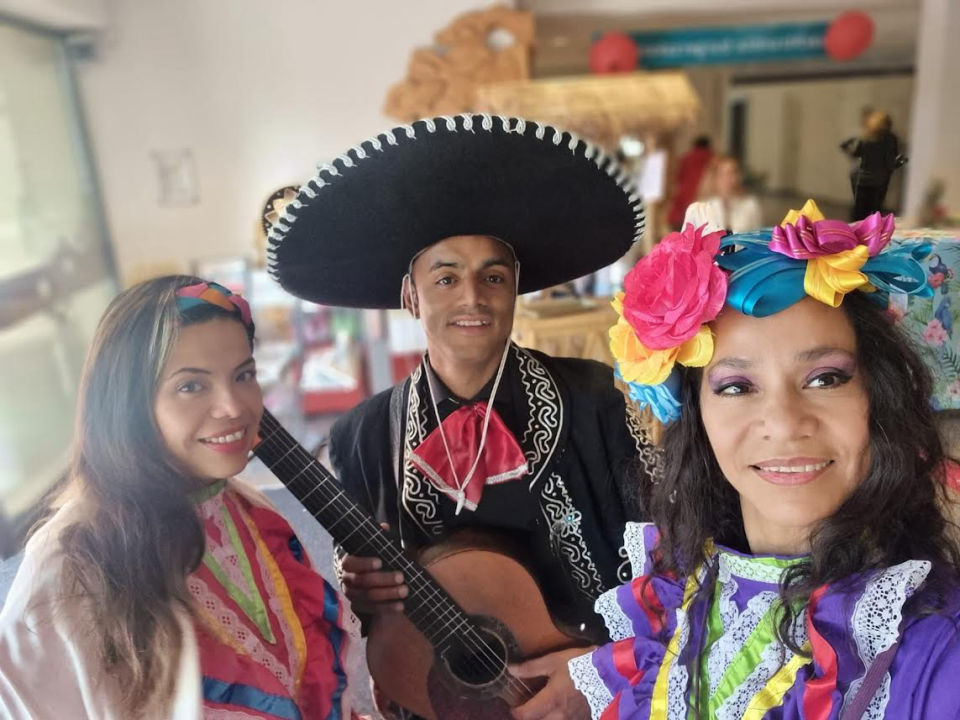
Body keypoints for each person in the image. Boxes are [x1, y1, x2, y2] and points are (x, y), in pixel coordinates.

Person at [265, 113, 663, 719]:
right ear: (411, 296)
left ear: (513, 291)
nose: (473, 297)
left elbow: (672, 551)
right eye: (446, 277)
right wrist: (365, 589)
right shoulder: (363, 435)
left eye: (493, 277)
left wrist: (606, 666)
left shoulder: (595, 398)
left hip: (595, 686)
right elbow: (379, 603)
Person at [568, 200, 960, 718]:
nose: (784, 421)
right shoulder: (669, 596)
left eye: (825, 378)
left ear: (877, 399)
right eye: (736, 386)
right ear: (698, 419)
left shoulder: (937, 651)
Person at [0, 277, 358, 719]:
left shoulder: (250, 512)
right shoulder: (73, 565)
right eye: (191, 386)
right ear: (128, 405)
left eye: (244, 375)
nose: (234, 406)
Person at [840, 110, 906, 221]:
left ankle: (852, 235)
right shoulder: (890, 139)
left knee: (858, 212)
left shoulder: (866, 136)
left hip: (861, 179)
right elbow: (890, 164)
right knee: (874, 213)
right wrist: (902, 161)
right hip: (879, 181)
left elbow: (856, 153)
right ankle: (870, 236)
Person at [682, 154, 762, 234]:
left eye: (732, 173)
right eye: (722, 174)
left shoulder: (749, 206)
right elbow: (686, 243)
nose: (727, 179)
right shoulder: (698, 209)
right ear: (713, 177)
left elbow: (757, 238)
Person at [667, 135, 714, 231]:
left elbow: (678, 178)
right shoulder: (713, 158)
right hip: (703, 198)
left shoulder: (686, 158)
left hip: (684, 197)